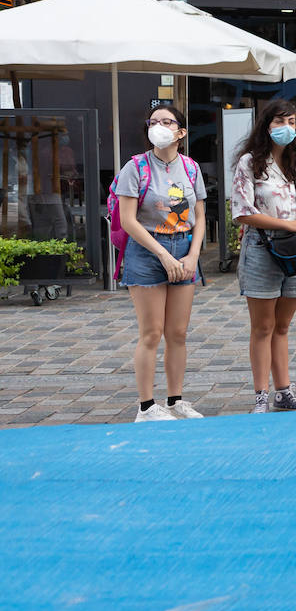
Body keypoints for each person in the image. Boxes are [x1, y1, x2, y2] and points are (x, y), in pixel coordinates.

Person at [116, 105, 207, 422]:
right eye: (154, 122)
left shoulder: (191, 168)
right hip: (147, 251)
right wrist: (163, 255)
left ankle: (175, 400)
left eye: (167, 122)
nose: (160, 126)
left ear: (181, 131)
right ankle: (146, 407)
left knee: (178, 332)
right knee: (151, 333)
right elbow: (128, 221)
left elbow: (199, 217)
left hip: (183, 247)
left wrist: (193, 254)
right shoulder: (136, 167)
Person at [231, 99, 296, 412]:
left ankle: (283, 393)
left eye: (292, 122)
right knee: (262, 327)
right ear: (266, 125)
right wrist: (289, 223)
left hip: (295, 249)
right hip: (261, 248)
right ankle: (260, 397)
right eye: (280, 122)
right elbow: (243, 213)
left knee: (282, 327)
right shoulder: (248, 163)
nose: (286, 129)